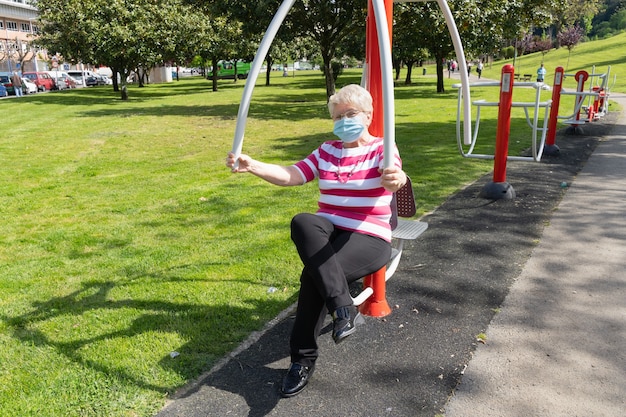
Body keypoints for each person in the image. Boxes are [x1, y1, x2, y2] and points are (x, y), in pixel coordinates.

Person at [226, 84, 407, 398]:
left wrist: (397, 179)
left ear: (367, 115)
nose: (343, 121)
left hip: (368, 235)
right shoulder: (327, 151)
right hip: (330, 232)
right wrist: (252, 165)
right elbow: (292, 174)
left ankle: (302, 360)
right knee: (303, 221)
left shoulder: (382, 147)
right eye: (338, 116)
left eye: (350, 114)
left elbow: (394, 175)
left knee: (313, 276)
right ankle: (343, 309)